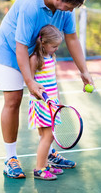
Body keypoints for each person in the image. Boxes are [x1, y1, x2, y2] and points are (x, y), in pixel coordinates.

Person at [0, 0, 94, 179]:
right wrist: (29, 82)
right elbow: (20, 46)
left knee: (45, 105)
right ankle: (10, 159)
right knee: (13, 101)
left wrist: (84, 70)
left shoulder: (65, 7)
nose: (70, 11)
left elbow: (72, 38)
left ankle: (47, 153)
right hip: (10, 53)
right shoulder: (31, 4)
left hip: (37, 55)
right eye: (69, 6)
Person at [29, 25, 65, 180]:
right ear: (43, 43)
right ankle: (39, 169)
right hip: (42, 104)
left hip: (51, 102)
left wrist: (55, 100)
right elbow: (30, 82)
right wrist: (44, 98)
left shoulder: (50, 57)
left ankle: (45, 165)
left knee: (46, 136)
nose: (56, 49)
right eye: (54, 46)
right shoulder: (35, 59)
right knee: (48, 137)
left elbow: (51, 81)